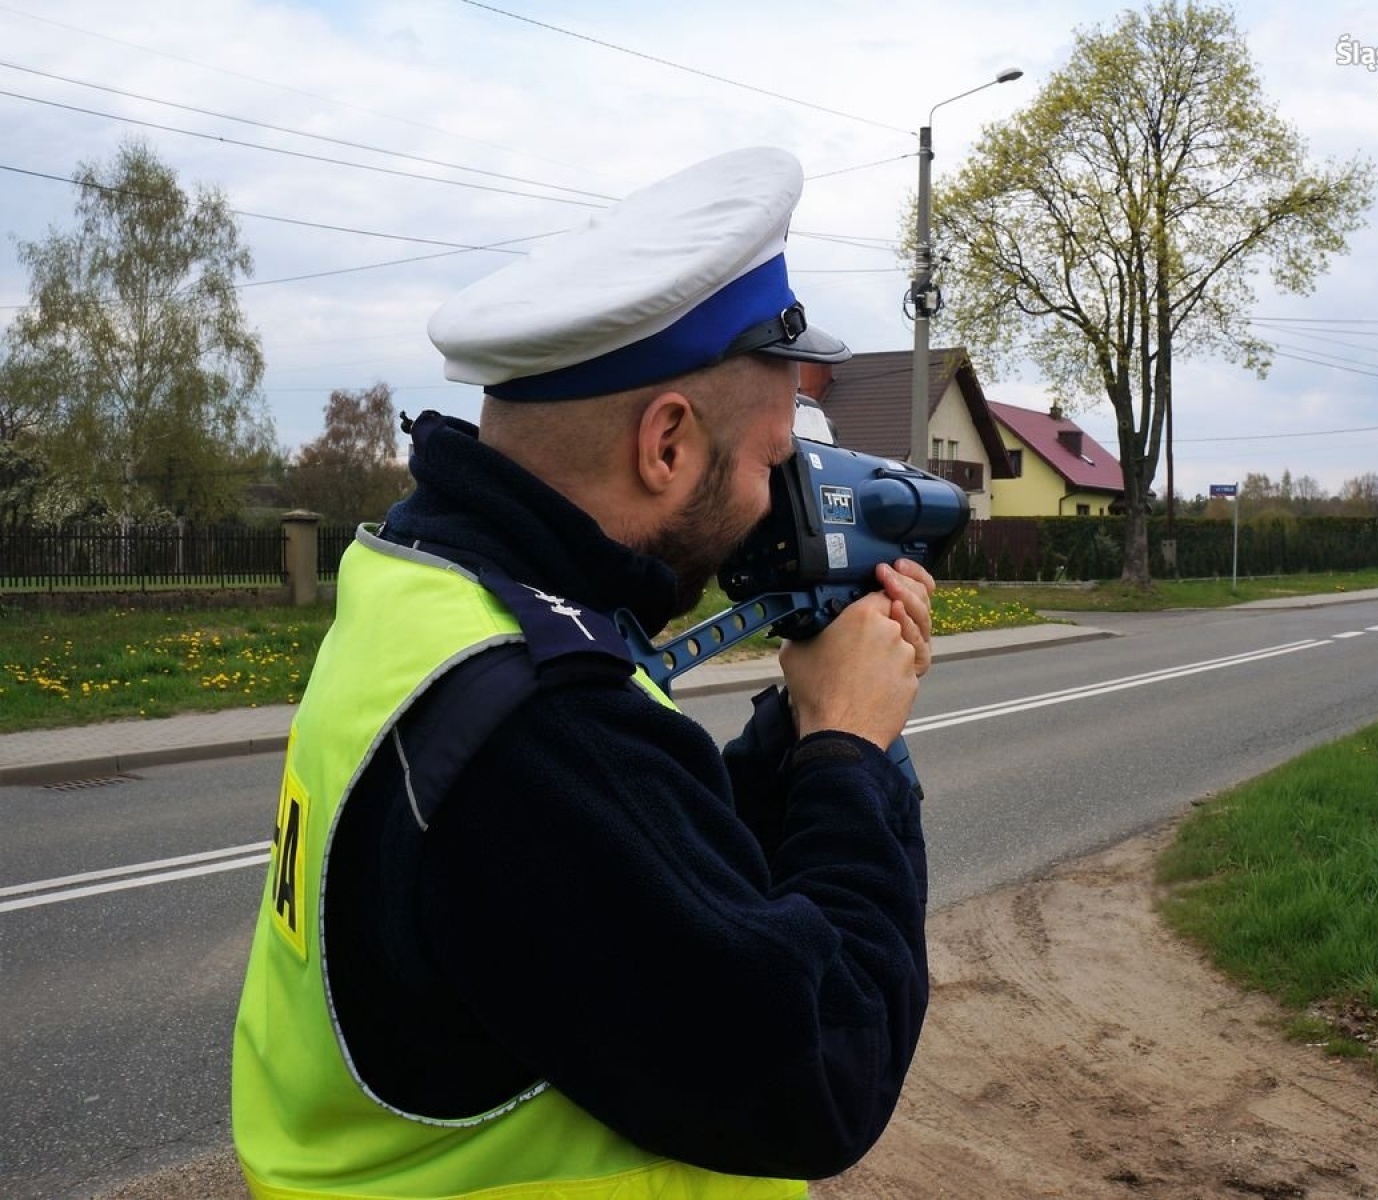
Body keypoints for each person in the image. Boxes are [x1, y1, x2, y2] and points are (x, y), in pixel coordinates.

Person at [232, 146, 936, 1199]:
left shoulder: (432, 590)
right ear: (666, 445)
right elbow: (820, 1070)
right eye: (771, 460)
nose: (776, 496)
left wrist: (793, 726)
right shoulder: (540, 726)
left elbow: (650, 865)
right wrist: (848, 753)